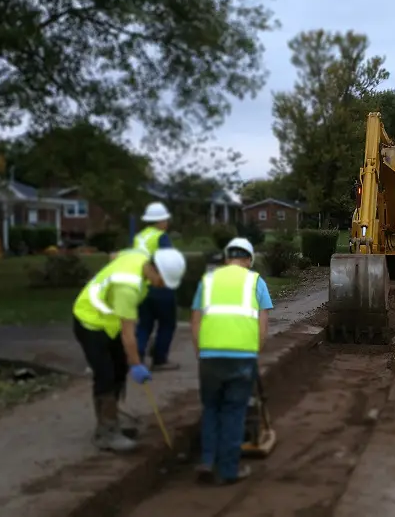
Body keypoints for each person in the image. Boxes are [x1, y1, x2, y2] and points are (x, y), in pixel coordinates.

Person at [72, 246, 186, 453]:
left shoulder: (140, 256)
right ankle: (106, 432)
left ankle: (113, 418)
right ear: (155, 269)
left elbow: (113, 254)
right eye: (163, 281)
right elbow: (128, 335)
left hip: (109, 321)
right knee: (105, 373)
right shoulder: (127, 288)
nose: (162, 286)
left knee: (118, 368)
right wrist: (137, 364)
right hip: (90, 322)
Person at [189, 237, 273, 485]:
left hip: (209, 357)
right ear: (249, 260)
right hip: (242, 357)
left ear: (227, 259)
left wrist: (200, 353)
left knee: (211, 408)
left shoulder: (208, 280)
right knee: (234, 411)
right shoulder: (256, 281)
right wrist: (255, 351)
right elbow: (263, 324)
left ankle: (207, 461)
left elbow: (195, 321)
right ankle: (228, 470)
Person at [133, 202, 180, 371]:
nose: (167, 223)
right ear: (159, 221)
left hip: (141, 287)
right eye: (165, 219)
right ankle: (160, 359)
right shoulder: (161, 237)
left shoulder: (139, 237)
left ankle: (136, 356)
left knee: (145, 323)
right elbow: (168, 260)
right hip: (160, 285)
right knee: (167, 323)